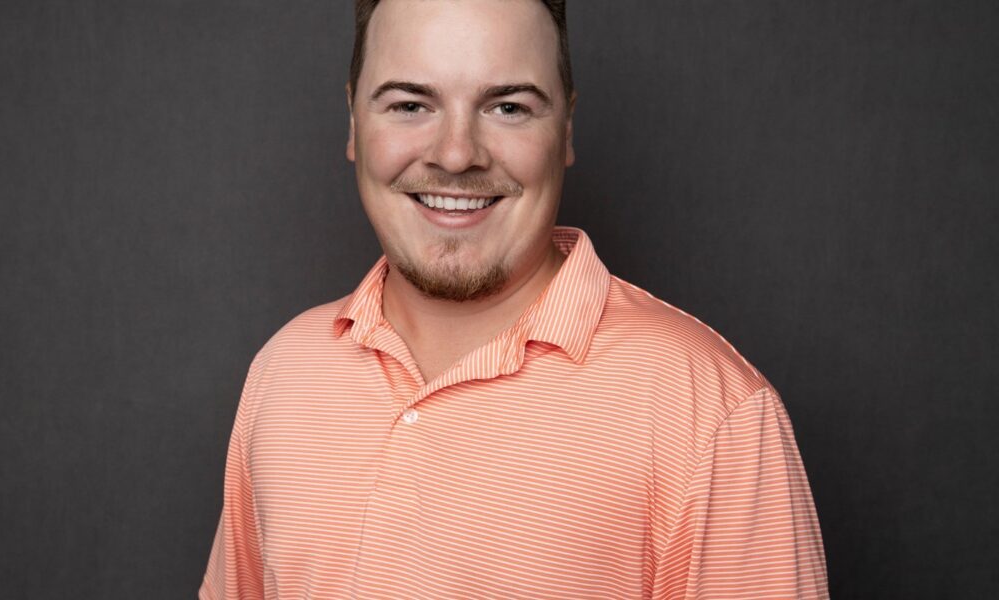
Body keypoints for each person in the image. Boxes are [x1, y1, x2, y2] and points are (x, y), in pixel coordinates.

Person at [200, 0, 829, 597]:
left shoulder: (713, 415)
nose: (455, 155)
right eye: (410, 104)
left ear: (567, 129)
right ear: (353, 123)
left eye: (507, 108)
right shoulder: (284, 373)